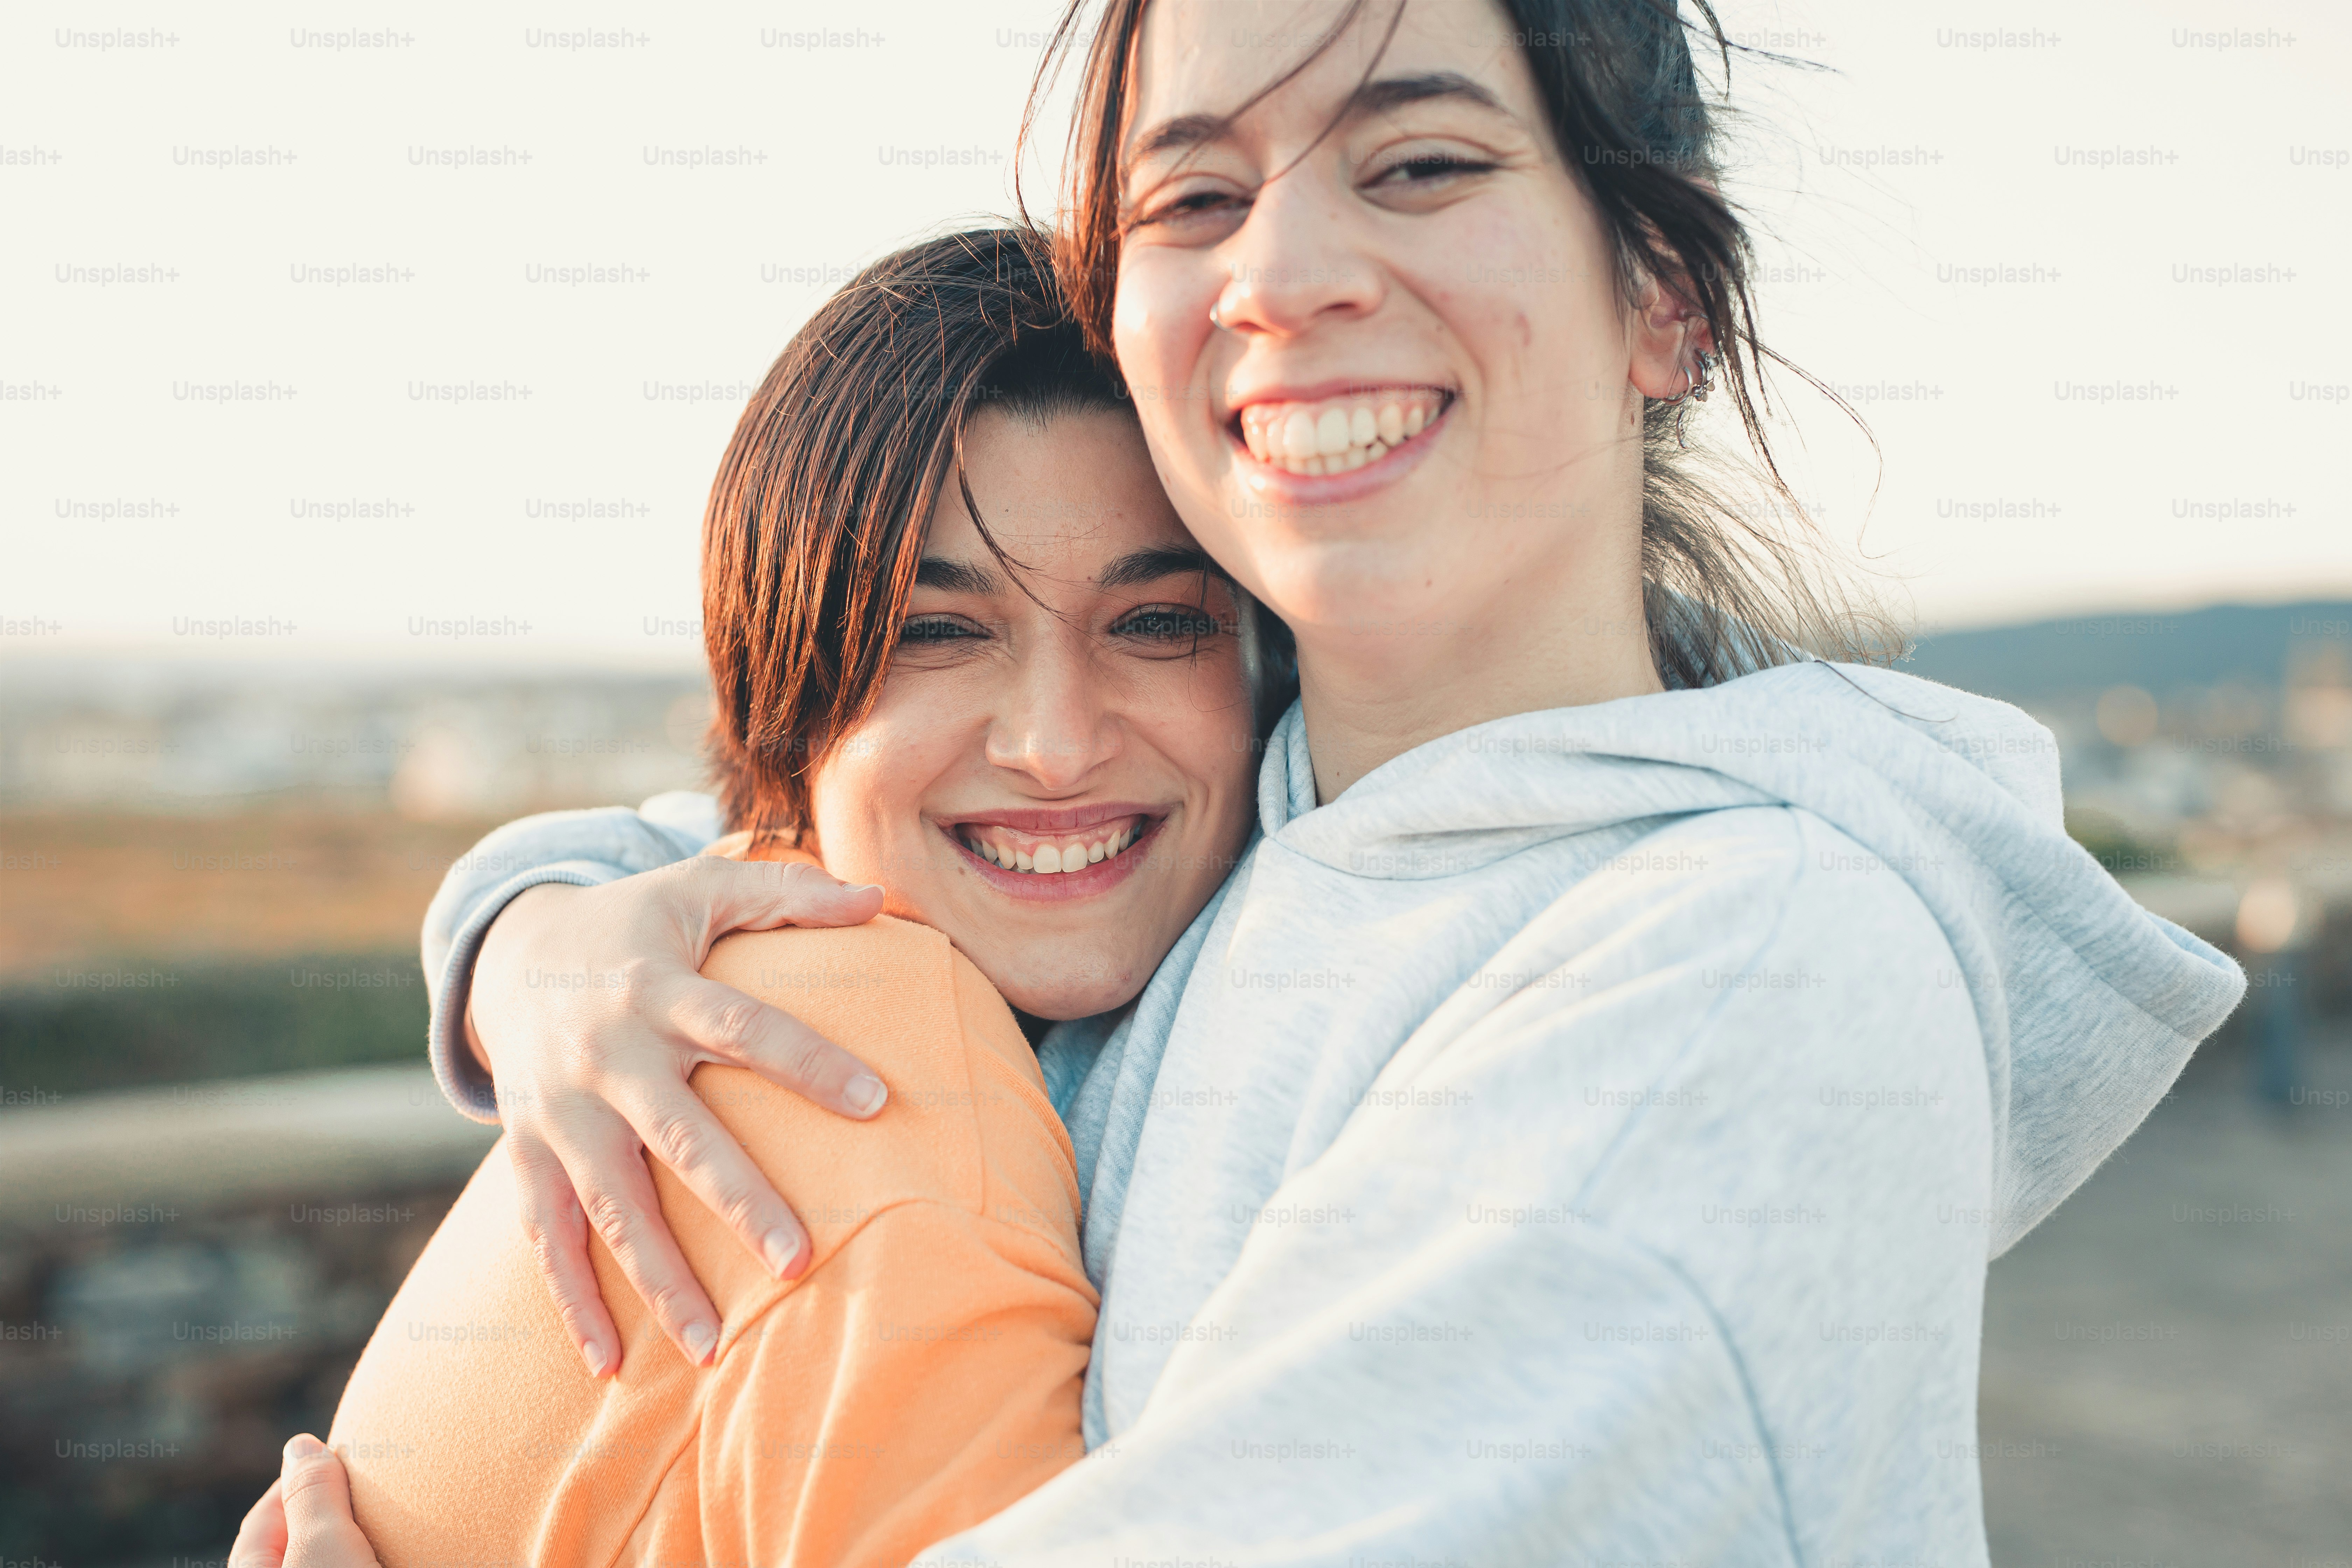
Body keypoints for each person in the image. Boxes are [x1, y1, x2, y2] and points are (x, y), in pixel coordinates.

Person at [265, 2, 2246, 1562]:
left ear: (1665, 296)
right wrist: (538, 937)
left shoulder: (1738, 980)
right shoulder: (1238, 805)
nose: (1284, 271)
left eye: (1423, 160)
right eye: (1192, 200)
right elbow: (784, 841)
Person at [301, 227, 1262, 1566]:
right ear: (785, 694)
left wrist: (534, 933)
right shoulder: (871, 1101)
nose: (1055, 742)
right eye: (936, 633)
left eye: (1156, 622)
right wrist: (532, 943)